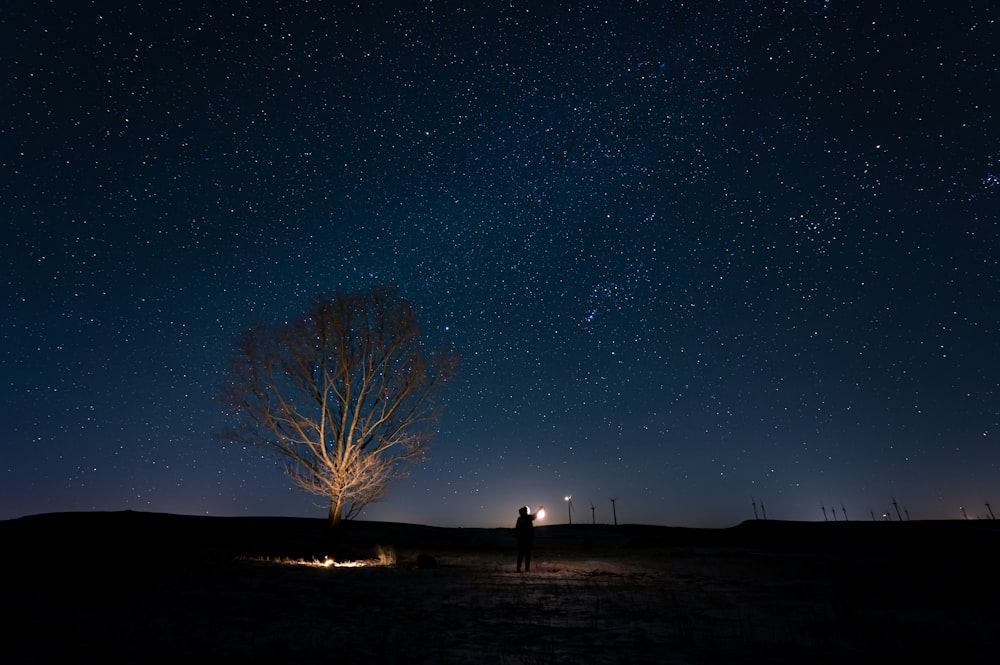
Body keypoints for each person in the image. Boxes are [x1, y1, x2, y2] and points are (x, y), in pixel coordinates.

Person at [514, 505, 541, 572]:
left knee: (521, 555)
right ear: (524, 512)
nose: (527, 512)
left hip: (521, 540)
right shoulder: (527, 518)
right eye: (526, 511)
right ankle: (526, 569)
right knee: (526, 555)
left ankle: (518, 569)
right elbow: (535, 516)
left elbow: (517, 529)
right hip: (527, 540)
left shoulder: (519, 519)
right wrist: (539, 510)